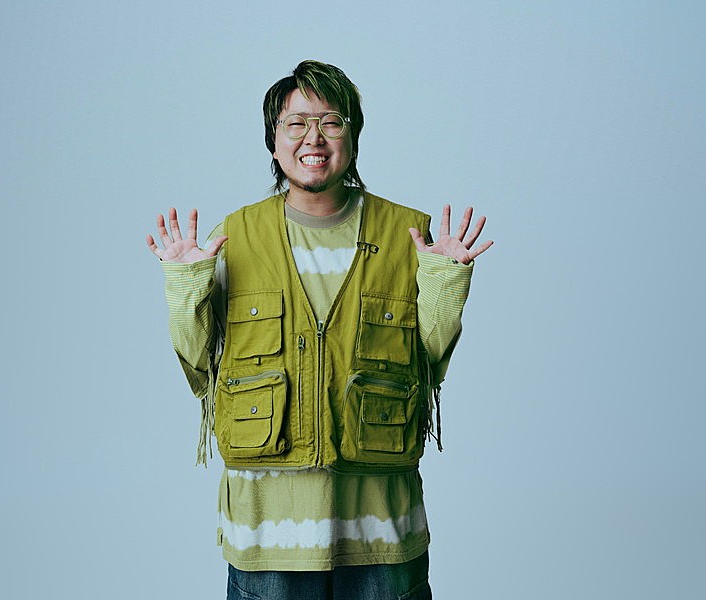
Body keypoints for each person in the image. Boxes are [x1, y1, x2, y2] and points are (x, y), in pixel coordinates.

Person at [146, 60, 492, 600]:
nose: (314, 137)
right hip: (268, 534)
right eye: (296, 123)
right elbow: (199, 367)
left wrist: (447, 282)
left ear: (352, 137)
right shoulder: (232, 237)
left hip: (381, 528)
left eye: (331, 122)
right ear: (273, 141)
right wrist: (185, 286)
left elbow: (430, 363)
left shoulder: (410, 235)